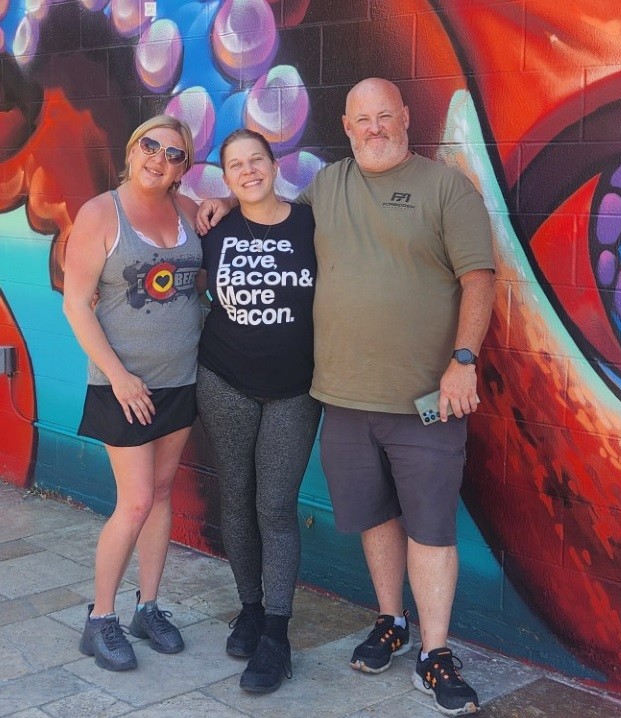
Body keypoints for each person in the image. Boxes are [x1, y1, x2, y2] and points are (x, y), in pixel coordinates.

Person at [198, 77, 495, 716]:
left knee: (431, 526)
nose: (375, 127)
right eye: (363, 118)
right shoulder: (326, 187)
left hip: (426, 399)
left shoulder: (446, 187)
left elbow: (478, 278)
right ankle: (391, 621)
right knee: (373, 518)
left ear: (406, 118)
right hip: (342, 398)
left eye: (385, 115)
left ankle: (435, 652)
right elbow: (264, 200)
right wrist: (225, 199)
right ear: (347, 124)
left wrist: (463, 361)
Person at [64, 115, 201, 672]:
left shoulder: (190, 211)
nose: (159, 159)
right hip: (125, 387)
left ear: (183, 168)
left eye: (174, 154)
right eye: (151, 145)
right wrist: (118, 375)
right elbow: (75, 304)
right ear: (132, 146)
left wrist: (226, 207)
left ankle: (149, 606)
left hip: (181, 380)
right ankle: (100, 619)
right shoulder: (101, 213)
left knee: (163, 493)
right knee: (137, 500)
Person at [196, 129, 320, 694]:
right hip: (224, 380)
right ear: (224, 177)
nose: (247, 172)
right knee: (237, 498)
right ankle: (249, 608)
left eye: (256, 161)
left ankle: (277, 634)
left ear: (275, 165)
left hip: (295, 389)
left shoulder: (310, 223)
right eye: (235, 166)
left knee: (275, 505)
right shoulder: (214, 225)